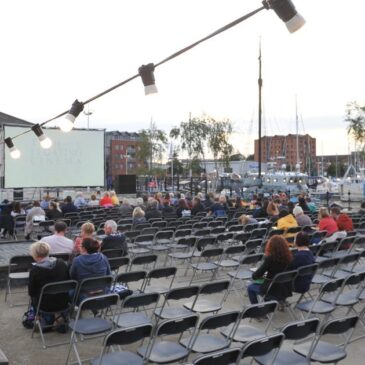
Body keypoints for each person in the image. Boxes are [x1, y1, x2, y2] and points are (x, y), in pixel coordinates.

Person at [28, 241, 69, 329]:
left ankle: (39, 318)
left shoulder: (35, 270)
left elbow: (31, 292)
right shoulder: (61, 263)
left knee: (34, 296)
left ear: (35, 255)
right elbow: (68, 280)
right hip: (64, 301)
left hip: (44, 305)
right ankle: (58, 317)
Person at [247, 235, 293, 306]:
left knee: (250, 287)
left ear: (271, 246)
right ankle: (271, 304)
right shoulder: (290, 257)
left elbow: (256, 275)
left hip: (272, 289)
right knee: (269, 282)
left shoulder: (270, 259)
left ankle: (256, 310)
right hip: (286, 289)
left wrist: (256, 276)